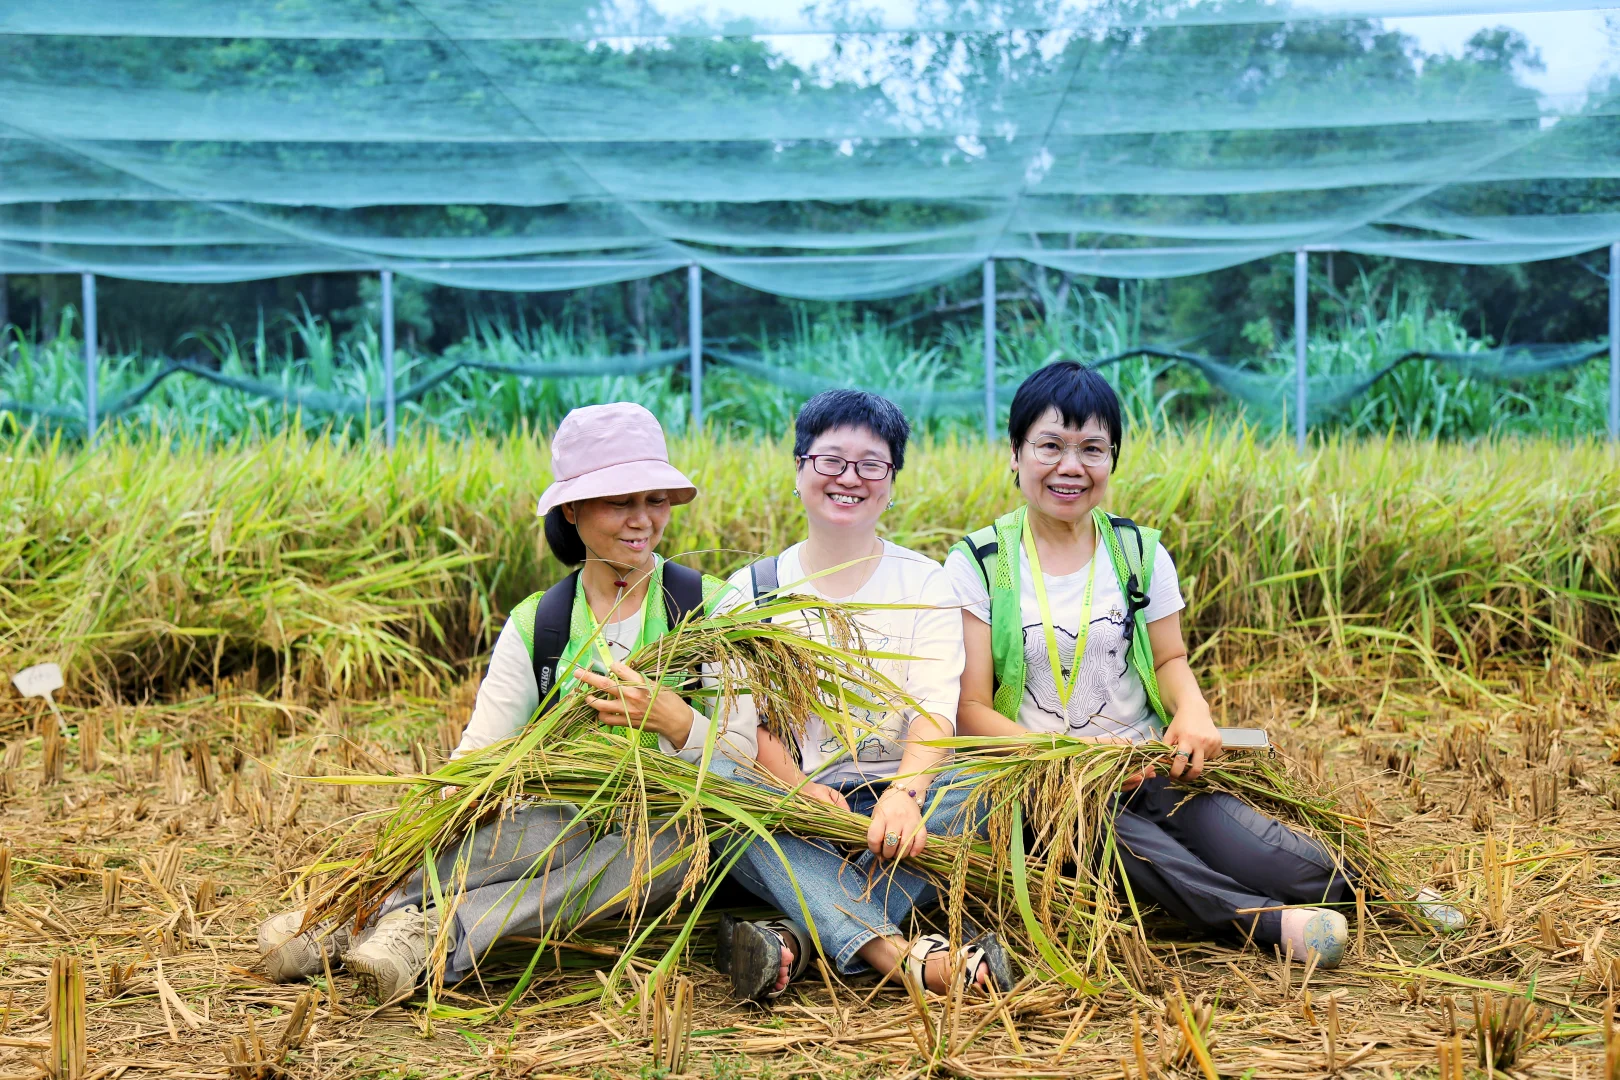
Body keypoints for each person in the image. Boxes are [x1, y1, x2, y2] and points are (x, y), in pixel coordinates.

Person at [257, 403, 756, 1002]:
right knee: (552, 828)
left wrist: (676, 722)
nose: (642, 520)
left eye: (655, 501)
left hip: (679, 819)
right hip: (562, 809)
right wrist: (440, 813)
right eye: (620, 502)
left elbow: (743, 756)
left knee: (634, 856)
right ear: (572, 510)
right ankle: (353, 914)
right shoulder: (539, 622)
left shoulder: (711, 609)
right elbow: (481, 749)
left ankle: (432, 935)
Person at [947, 361, 1362, 967]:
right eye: (1050, 446)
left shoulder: (1138, 551)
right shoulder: (978, 561)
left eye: (1093, 448)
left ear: (1112, 459)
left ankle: (1376, 893)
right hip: (1043, 786)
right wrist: (1076, 760)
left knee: (1282, 862)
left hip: (1147, 766)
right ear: (1014, 454)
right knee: (1146, 855)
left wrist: (1192, 711)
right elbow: (970, 711)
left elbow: (1170, 657)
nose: (1071, 466)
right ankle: (1268, 926)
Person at [711, 390, 1013, 1004]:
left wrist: (904, 795)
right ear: (799, 469)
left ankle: (795, 930)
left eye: (871, 464)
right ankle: (902, 957)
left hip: (907, 802)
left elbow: (936, 706)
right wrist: (796, 789)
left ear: (891, 480)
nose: (849, 478)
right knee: (719, 786)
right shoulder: (750, 592)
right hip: (794, 807)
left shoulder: (925, 583)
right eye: (830, 461)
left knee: (988, 786)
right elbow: (744, 723)